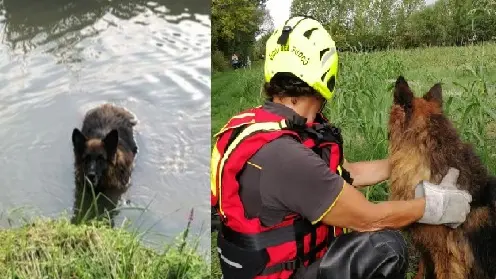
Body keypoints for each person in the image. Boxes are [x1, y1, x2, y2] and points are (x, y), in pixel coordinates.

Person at [210, 16, 472, 279]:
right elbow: (369, 217)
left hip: (262, 265)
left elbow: (347, 172)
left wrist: (411, 165)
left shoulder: (271, 127)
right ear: (327, 74)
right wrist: (436, 206)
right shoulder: (286, 156)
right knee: (385, 247)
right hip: (281, 273)